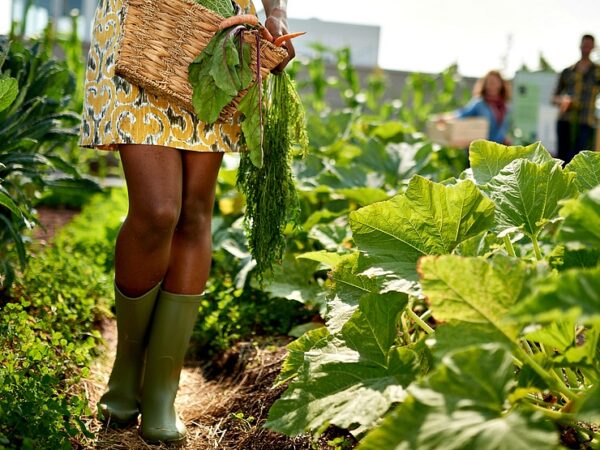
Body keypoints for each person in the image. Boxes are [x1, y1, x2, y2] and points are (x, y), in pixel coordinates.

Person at [78, 0, 294, 445]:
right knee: (158, 212)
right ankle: (127, 366)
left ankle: (161, 389)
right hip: (143, 26)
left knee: (195, 212)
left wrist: (277, 13)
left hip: (214, 31)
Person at [552, 34, 600, 164]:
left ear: (593, 48)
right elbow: (554, 97)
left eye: (589, 46)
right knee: (562, 160)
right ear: (580, 46)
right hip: (565, 120)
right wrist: (562, 100)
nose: (586, 48)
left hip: (586, 122)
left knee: (580, 161)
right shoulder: (568, 71)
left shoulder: (597, 72)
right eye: (584, 45)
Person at [451, 70, 512, 144]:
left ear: (501, 84)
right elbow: (462, 114)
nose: (492, 85)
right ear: (485, 84)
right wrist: (446, 118)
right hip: (480, 150)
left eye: (494, 82)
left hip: (498, 149)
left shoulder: (505, 106)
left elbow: (504, 129)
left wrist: (505, 138)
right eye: (489, 82)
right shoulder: (479, 103)